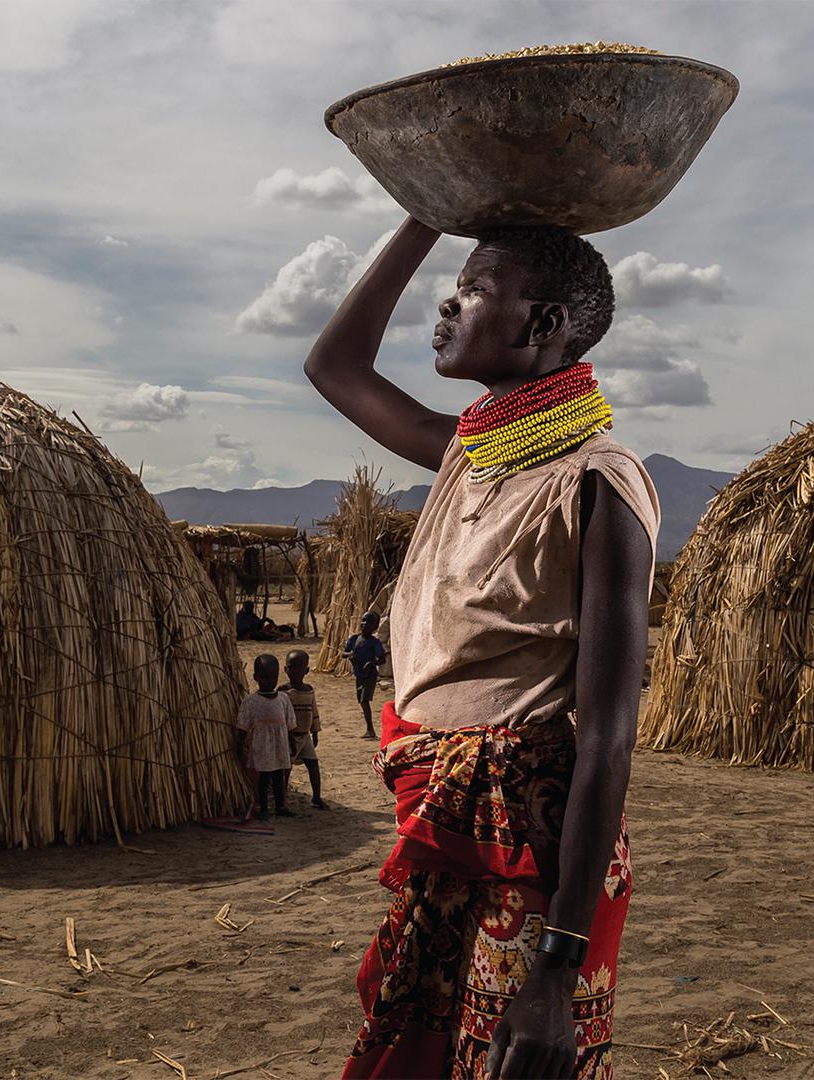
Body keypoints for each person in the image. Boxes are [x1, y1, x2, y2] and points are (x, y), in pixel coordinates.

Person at [305, 216, 658, 1079]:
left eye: (473, 291)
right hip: (447, 824)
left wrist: (558, 968)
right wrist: (428, 210)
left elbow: (608, 739)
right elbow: (334, 366)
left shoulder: (596, 484)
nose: (448, 306)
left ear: (544, 324)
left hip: (533, 852)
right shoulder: (468, 453)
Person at [235, 654, 296, 819]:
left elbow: (290, 725)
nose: (270, 681)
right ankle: (262, 807)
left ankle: (280, 805)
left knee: (279, 777)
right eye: (265, 678)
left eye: (273, 678)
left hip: (280, 747)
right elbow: (243, 725)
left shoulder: (283, 699)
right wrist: (239, 744)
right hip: (262, 748)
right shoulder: (250, 702)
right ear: (256, 678)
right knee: (263, 778)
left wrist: (292, 744)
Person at [280, 648, 328, 809]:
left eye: (299, 668)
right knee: (286, 769)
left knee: (313, 765)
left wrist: (315, 732)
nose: (295, 671)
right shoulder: (283, 692)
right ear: (286, 669)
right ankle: (282, 800)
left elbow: (314, 711)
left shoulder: (308, 690)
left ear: (306, 670)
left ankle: (317, 797)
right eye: (291, 667)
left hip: (305, 736)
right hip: (289, 736)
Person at [342, 612, 388, 740]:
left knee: (364, 700)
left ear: (375, 627)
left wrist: (371, 663)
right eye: (363, 620)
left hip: (370, 675)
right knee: (362, 702)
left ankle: (370, 729)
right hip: (359, 674)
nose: (365, 624)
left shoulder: (374, 643)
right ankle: (369, 729)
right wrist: (350, 655)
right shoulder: (354, 639)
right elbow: (343, 653)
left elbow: (382, 659)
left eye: (369, 622)